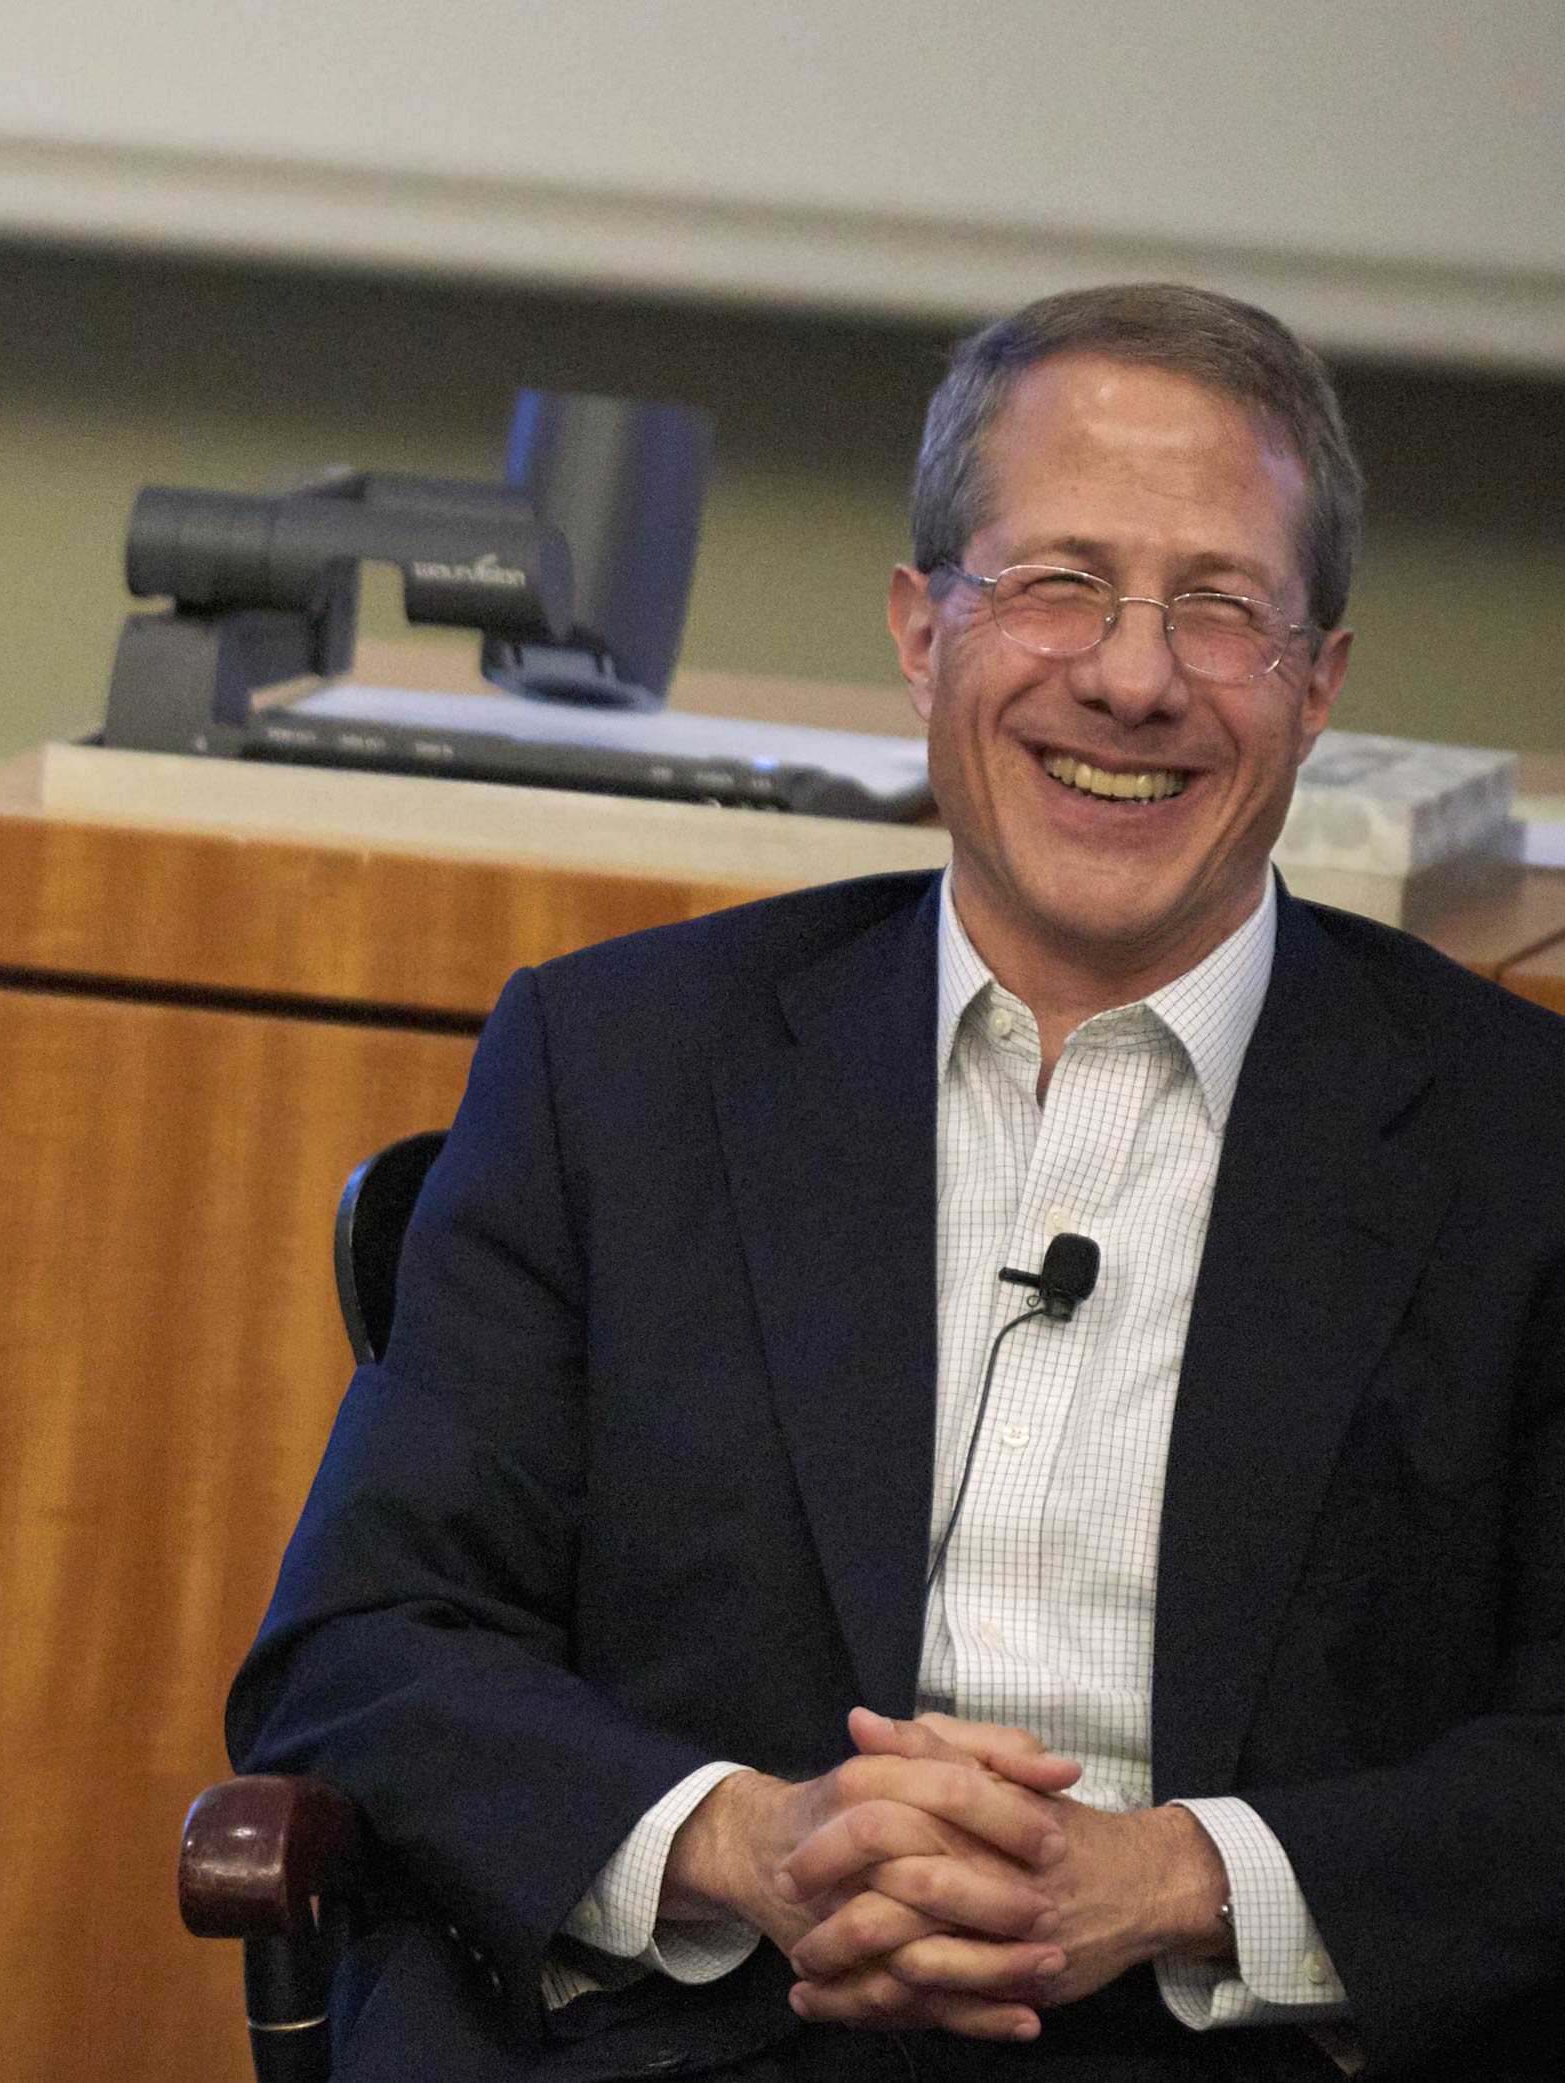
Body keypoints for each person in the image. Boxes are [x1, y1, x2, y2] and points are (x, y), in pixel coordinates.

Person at [228, 282, 1565, 2079]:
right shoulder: (615, 1071)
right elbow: (364, 1648)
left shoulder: (1521, 1147)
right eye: (1061, 583)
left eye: (1219, 607)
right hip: (703, 2030)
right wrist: (750, 1846)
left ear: (1317, 684)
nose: (1133, 679)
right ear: (922, 632)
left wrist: (1182, 1880)